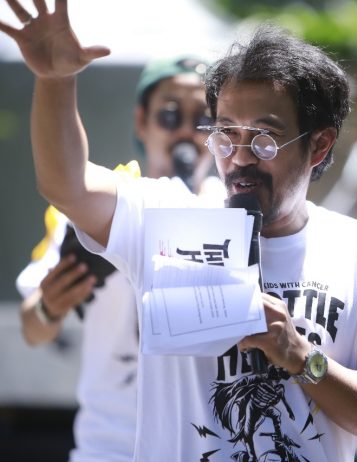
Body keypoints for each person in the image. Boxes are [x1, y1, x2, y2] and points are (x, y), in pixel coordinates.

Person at [1, 1, 357, 460]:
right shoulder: (166, 218)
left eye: (264, 138)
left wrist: (300, 357)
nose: (240, 157)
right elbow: (66, 184)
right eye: (226, 134)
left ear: (319, 144)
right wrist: (55, 80)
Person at [14, 41, 219, 462]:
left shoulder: (237, 212)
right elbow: (32, 330)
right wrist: (50, 307)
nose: (185, 131)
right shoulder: (94, 208)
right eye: (169, 115)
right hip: (110, 449)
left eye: (202, 119)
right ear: (142, 121)